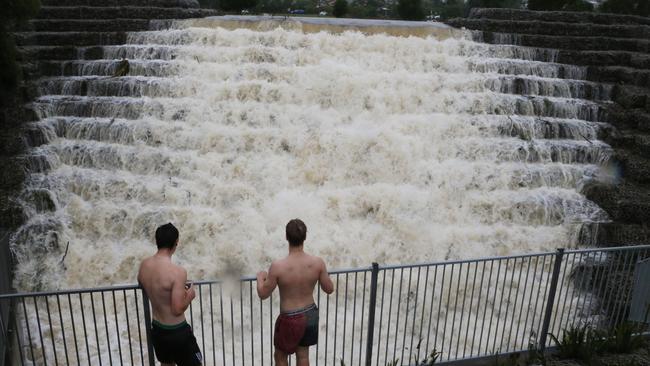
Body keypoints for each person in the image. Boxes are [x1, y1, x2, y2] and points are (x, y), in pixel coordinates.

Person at [256, 219, 334, 366]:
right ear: (305, 237)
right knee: (303, 356)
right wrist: (323, 273)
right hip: (310, 313)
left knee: (280, 356)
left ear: (286, 237)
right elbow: (329, 289)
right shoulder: (317, 263)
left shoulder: (278, 266)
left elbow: (263, 294)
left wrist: (260, 278)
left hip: (290, 318)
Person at [138, 223, 203, 366]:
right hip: (177, 333)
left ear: (157, 241)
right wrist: (189, 294)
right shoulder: (178, 272)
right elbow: (177, 308)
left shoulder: (144, 266)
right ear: (176, 243)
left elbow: (144, 283)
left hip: (158, 330)